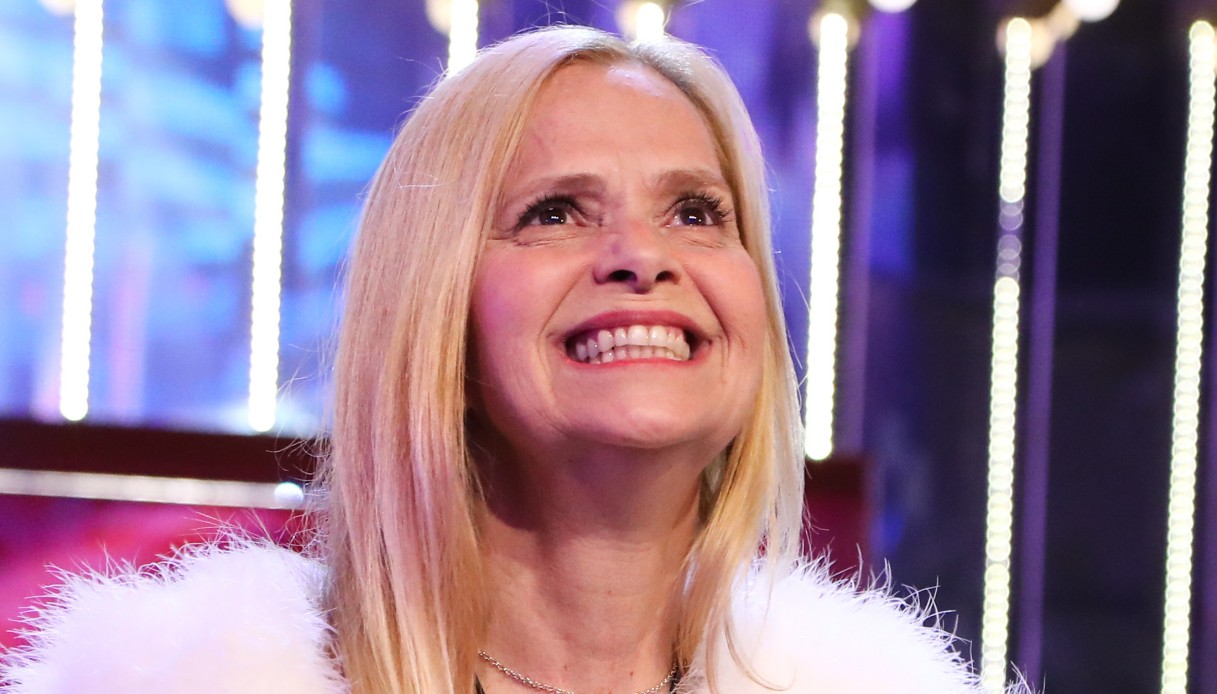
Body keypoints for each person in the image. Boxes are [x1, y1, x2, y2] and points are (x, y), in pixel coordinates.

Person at [2, 26, 1029, 694]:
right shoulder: (180, 675)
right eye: (554, 212)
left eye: (694, 211)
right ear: (434, 309)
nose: (641, 258)